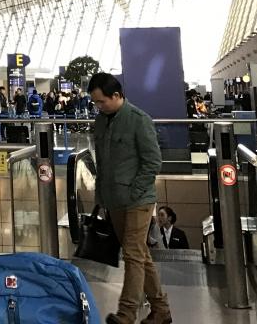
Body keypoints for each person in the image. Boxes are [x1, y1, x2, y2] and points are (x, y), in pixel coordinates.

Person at [88, 72, 170, 324]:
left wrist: (135, 191)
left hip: (138, 200)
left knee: (133, 254)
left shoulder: (138, 120)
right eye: (95, 102)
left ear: (116, 95)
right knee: (140, 254)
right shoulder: (100, 122)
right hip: (113, 200)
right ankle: (161, 310)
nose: (98, 106)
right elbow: (102, 163)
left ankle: (126, 314)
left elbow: (153, 161)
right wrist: (101, 197)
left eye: (101, 101)